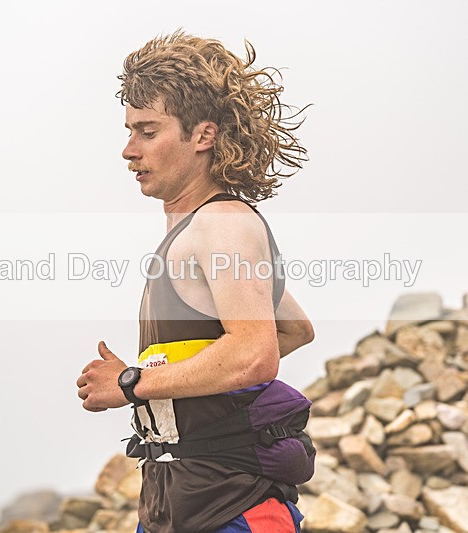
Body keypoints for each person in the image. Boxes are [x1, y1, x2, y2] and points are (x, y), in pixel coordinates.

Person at [76, 31, 315, 533]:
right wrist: (173, 373)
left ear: (203, 135)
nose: (127, 150)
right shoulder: (197, 231)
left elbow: (255, 353)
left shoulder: (222, 224)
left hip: (233, 507)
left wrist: (132, 383)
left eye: (147, 131)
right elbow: (293, 329)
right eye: (129, 131)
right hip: (178, 503)